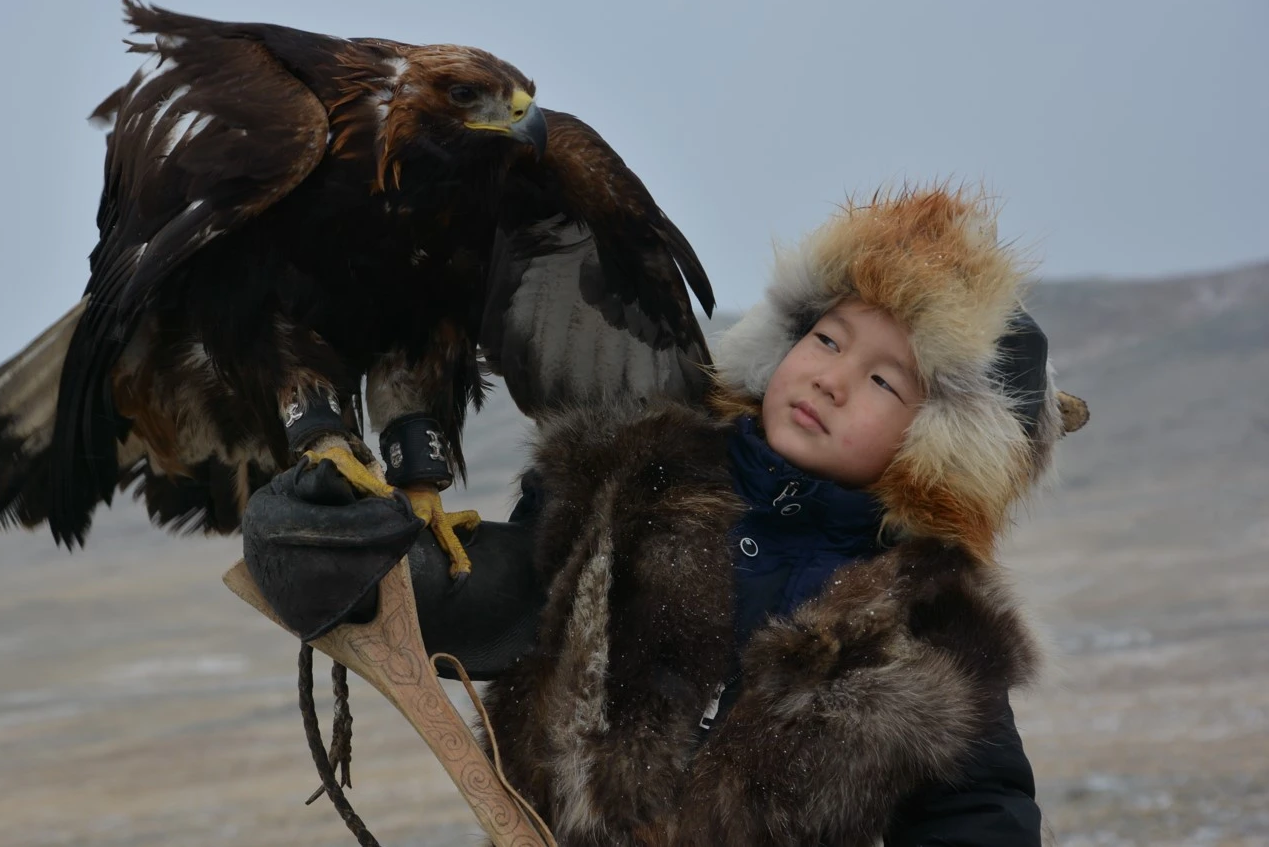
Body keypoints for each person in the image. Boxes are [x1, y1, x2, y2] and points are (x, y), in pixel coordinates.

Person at [243, 184, 1087, 846]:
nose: (831, 377)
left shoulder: (929, 625)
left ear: (936, 446)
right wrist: (361, 569)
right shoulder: (639, 478)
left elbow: (978, 811)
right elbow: (507, 598)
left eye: (882, 380)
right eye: (826, 340)